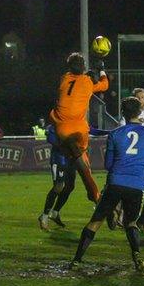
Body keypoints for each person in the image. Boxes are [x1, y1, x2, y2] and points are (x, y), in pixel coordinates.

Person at [70, 97, 144, 272]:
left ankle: (77, 260)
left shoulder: (115, 134)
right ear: (140, 112)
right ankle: (137, 257)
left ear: (123, 113)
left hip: (115, 182)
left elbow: (108, 165)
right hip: (136, 186)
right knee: (131, 223)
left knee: (95, 222)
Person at [48, 52, 108, 204]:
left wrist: (87, 74)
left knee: (77, 168)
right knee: (84, 169)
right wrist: (101, 70)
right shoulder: (87, 82)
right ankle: (95, 196)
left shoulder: (64, 79)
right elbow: (105, 85)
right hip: (78, 129)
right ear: (83, 67)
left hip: (61, 129)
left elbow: (77, 80)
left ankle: (52, 211)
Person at [39, 125, 111, 231]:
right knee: (59, 186)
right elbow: (51, 139)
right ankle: (44, 216)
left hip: (71, 159)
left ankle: (55, 212)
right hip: (59, 159)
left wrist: (109, 131)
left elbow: (92, 130)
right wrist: (69, 143)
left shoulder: (77, 122)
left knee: (70, 186)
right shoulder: (57, 123)